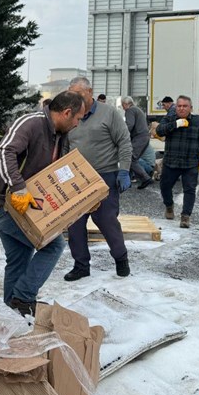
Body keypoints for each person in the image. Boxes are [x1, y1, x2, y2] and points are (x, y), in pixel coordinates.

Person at [0, 91, 86, 316]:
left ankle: (13, 311)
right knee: (53, 245)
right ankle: (23, 297)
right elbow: (4, 152)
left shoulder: (60, 135)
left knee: (19, 258)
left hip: (19, 206)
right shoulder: (31, 123)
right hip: (3, 204)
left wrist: (83, 201)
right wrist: (18, 187)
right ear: (67, 113)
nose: (77, 124)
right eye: (78, 118)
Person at [64, 78, 132, 281]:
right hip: (77, 178)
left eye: (79, 94)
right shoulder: (70, 115)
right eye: (72, 95)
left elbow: (124, 141)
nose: (75, 99)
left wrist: (124, 170)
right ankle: (81, 266)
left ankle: (121, 258)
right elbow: (65, 146)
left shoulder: (109, 113)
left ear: (90, 92)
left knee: (106, 220)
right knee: (75, 223)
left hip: (104, 175)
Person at [156, 95, 199, 228]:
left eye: (185, 106)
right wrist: (176, 124)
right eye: (179, 106)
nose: (181, 108)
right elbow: (159, 131)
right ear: (176, 107)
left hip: (190, 163)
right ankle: (169, 205)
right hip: (171, 162)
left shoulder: (198, 121)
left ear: (191, 108)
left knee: (190, 189)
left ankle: (185, 216)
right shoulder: (170, 118)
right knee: (165, 186)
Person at [120, 96, 153, 189]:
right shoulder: (137, 109)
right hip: (144, 137)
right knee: (133, 159)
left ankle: (145, 178)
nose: (123, 107)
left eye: (122, 105)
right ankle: (130, 180)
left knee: (130, 158)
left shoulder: (130, 110)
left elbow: (129, 125)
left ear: (126, 104)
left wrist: (121, 134)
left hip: (139, 138)